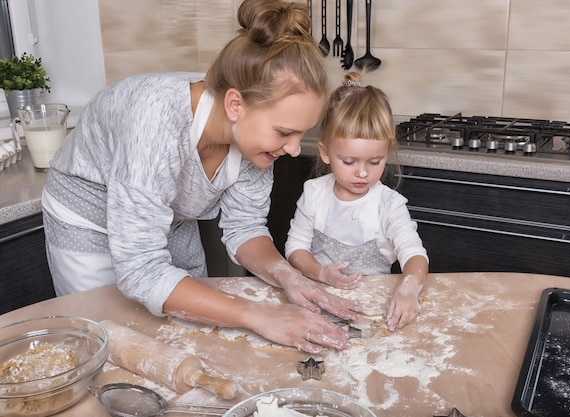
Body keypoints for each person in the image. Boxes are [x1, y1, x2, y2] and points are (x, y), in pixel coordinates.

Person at [41, 0, 359, 354]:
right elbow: (142, 271)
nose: (295, 149)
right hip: (89, 225)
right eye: (285, 132)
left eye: (301, 134)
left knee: (187, 342)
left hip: (170, 221)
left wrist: (289, 277)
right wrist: (260, 316)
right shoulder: (154, 120)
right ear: (235, 105)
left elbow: (245, 229)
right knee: (110, 345)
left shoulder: (255, 143)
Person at [285, 72, 429, 331]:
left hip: (376, 311)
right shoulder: (315, 193)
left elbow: (414, 254)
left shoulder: (388, 204)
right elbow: (295, 248)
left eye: (375, 162)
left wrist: (408, 290)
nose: (362, 172)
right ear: (325, 152)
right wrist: (320, 273)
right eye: (349, 162)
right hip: (321, 303)